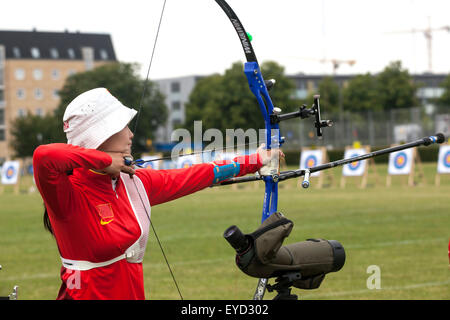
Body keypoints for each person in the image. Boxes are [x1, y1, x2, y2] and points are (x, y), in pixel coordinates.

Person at [32, 88, 283, 300]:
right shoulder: (67, 191)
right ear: (101, 135)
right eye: (123, 127)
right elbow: (44, 156)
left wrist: (255, 159)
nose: (131, 135)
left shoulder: (133, 181)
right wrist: (103, 160)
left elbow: (197, 174)